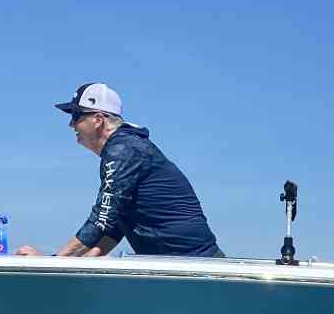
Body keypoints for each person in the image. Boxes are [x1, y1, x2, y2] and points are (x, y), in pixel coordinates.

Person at [17, 83, 223, 258]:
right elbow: (115, 222)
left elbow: (102, 217)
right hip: (177, 265)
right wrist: (85, 260)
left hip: (194, 264)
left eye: (77, 116)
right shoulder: (123, 149)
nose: (71, 124)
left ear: (98, 119)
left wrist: (53, 262)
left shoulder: (123, 150)